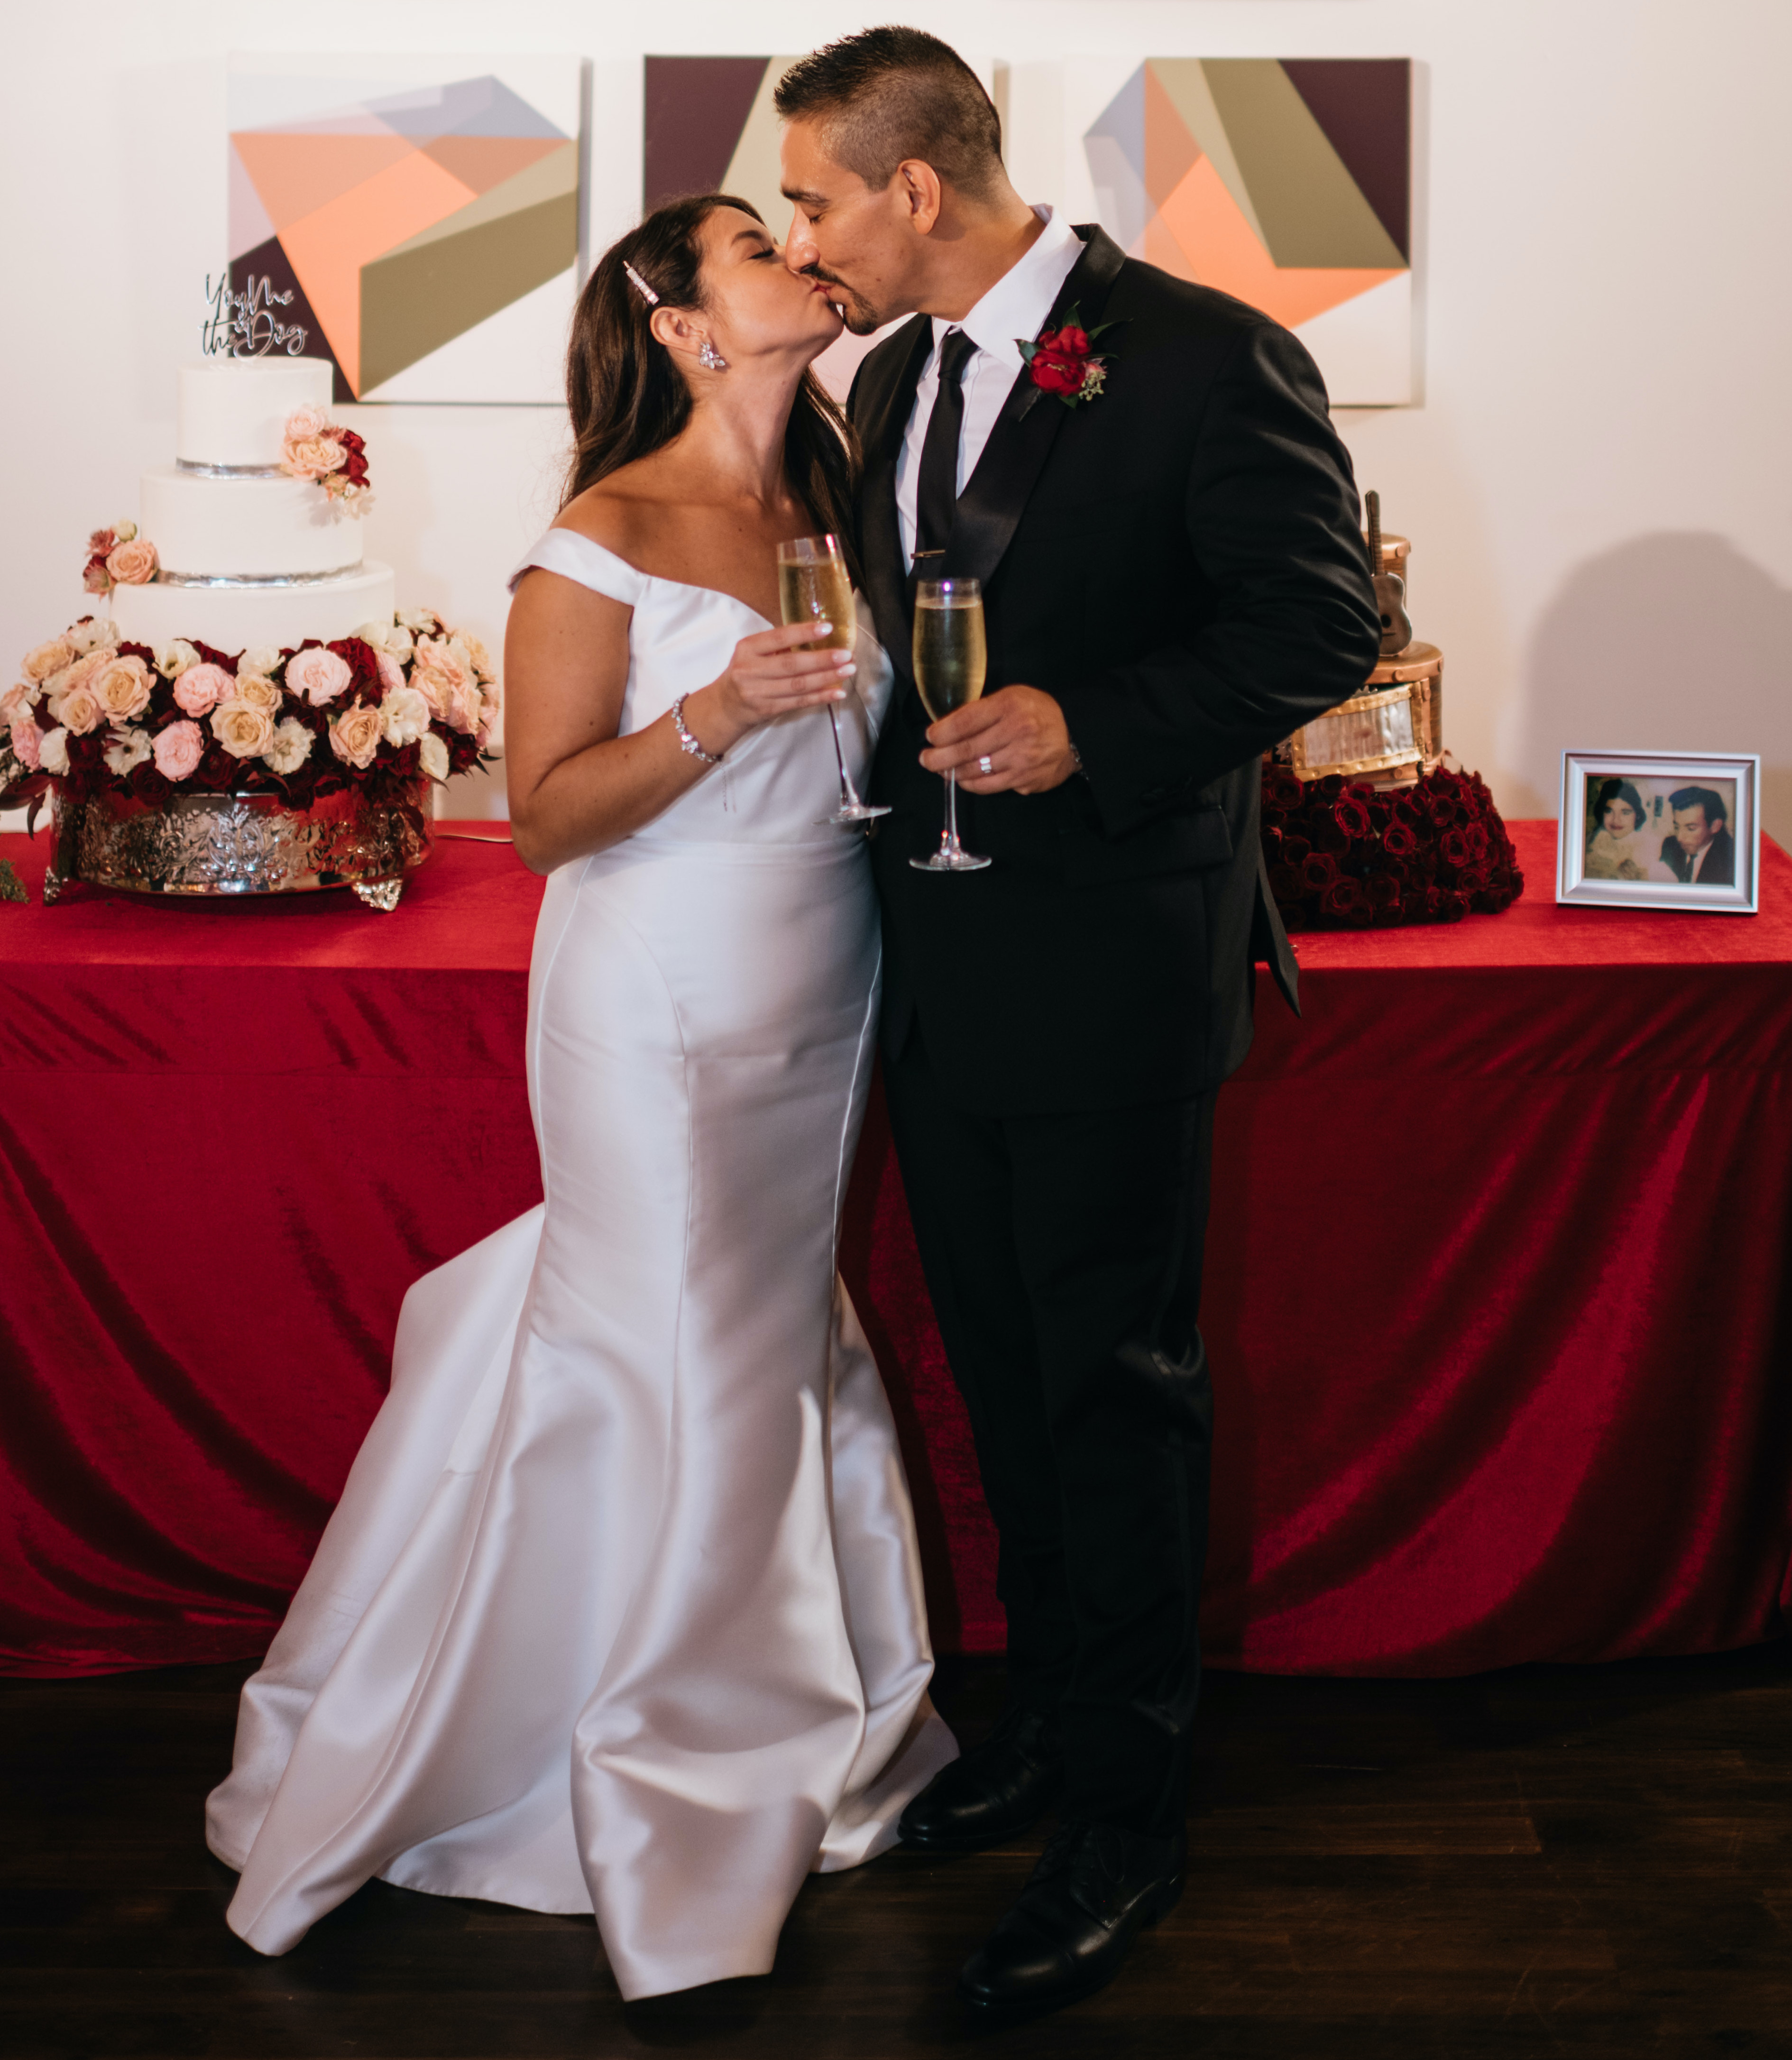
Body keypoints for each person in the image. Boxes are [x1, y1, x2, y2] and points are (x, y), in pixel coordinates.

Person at [204, 193, 956, 2002]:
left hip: (825, 975)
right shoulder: (596, 539)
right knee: (671, 1337)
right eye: (757, 246)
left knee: (768, 1332)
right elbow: (543, 814)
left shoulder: (837, 503)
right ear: (688, 324)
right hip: (656, 993)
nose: (798, 255)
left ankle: (797, 1710)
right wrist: (714, 718)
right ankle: (651, 1757)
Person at [775, 28, 1382, 2016]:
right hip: (935, 970)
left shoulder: (1203, 355)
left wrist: (1090, 729)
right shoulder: (881, 382)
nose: (804, 243)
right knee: (1011, 1385)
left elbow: (1316, 627)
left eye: (813, 201)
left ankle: (1126, 1807)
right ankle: (1042, 1730)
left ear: (913, 191)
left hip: (1115, 973)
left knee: (1113, 1392)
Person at [1584, 776, 1660, 881]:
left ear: (1637, 815)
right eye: (1609, 811)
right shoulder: (1591, 842)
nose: (1616, 820)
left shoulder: (1648, 850)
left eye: (1625, 813)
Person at [1661, 784, 1736, 884]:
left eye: (1691, 829)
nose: (1680, 838)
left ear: (1715, 826)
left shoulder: (1731, 860)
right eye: (1677, 827)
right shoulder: (1670, 846)